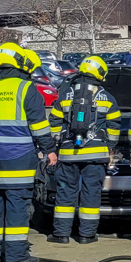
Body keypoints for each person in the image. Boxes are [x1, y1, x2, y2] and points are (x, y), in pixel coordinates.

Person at [0, 43, 56, 262]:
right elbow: (39, 126)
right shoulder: (26, 88)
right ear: (19, 62)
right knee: (17, 208)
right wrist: (49, 149)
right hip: (20, 159)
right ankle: (16, 257)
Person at [46, 55, 119, 245]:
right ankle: (87, 235)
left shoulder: (66, 95)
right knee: (91, 194)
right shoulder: (106, 97)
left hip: (69, 155)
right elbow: (114, 126)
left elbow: (53, 121)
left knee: (65, 193)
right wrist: (110, 147)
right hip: (96, 156)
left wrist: (58, 141)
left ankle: (61, 234)